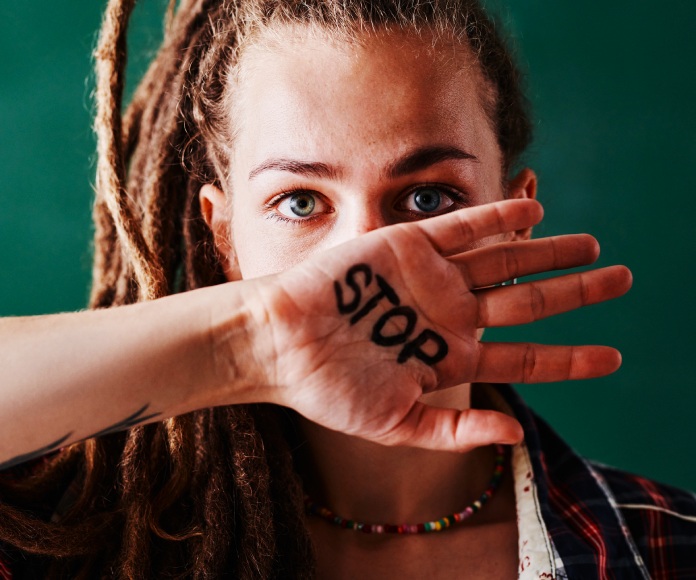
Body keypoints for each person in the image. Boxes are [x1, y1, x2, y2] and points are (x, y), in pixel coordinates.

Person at [0, 0, 693, 578]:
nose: (366, 257)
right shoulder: (81, 540)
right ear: (224, 236)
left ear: (513, 222)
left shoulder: (665, 548)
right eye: (300, 202)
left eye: (427, 197)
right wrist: (249, 342)